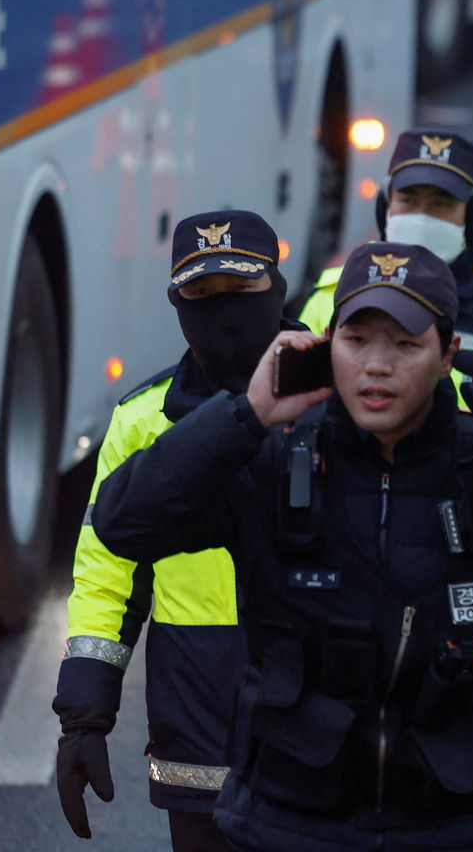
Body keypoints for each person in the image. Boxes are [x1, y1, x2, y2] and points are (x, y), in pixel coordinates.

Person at [91, 242, 473, 851]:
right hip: (288, 821)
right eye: (356, 341)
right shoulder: (275, 452)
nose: (377, 366)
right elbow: (121, 524)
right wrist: (245, 413)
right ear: (326, 344)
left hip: (458, 827)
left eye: (405, 344)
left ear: (447, 354)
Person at [54, 211, 295, 851]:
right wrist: (83, 716)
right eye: (199, 296)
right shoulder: (141, 419)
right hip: (199, 728)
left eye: (239, 293)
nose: (221, 314)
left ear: (277, 288)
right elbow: (106, 577)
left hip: (322, 726)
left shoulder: (340, 396)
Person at [300, 130, 473, 342]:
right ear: (385, 207)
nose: (421, 217)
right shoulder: (334, 295)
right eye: (407, 201)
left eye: (441, 204)